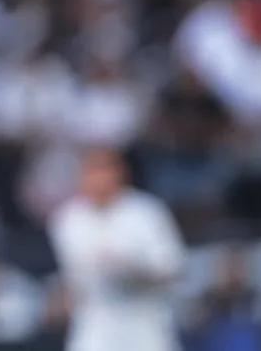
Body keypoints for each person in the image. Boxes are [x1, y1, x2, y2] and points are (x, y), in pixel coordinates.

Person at [48, 147, 187, 351]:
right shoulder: (68, 219)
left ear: (120, 173)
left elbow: (173, 268)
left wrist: (132, 271)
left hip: (145, 324)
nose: (97, 179)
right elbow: (72, 279)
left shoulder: (146, 212)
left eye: (103, 170)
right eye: (91, 172)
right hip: (93, 329)